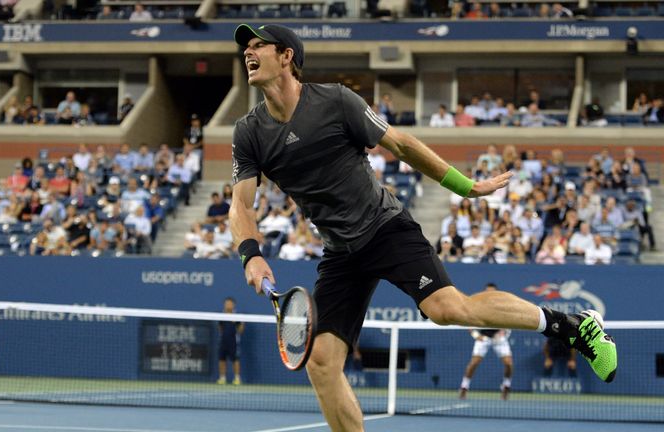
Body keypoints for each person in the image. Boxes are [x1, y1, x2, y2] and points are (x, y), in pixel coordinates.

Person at [230, 23, 616, 432]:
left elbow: (401, 144)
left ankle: (573, 326)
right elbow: (241, 203)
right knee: (322, 363)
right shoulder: (249, 132)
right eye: (246, 48)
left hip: (385, 228)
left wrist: (465, 186)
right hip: (340, 252)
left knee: (448, 309)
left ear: (287, 56)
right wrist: (250, 255)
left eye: (259, 45)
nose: (248, 53)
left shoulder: (336, 101)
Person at [459, 283, 513, 400]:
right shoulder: (478, 306)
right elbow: (468, 322)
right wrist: (476, 335)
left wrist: (504, 333)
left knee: (509, 364)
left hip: (499, 338)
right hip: (483, 338)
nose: (489, 294)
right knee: (474, 363)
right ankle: (464, 387)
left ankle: (506, 386)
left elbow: (510, 321)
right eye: (487, 292)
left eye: (492, 292)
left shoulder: (503, 306)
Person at [217, 297, 244, 385]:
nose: (227, 305)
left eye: (229, 303)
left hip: (233, 342)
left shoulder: (237, 316)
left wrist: (236, 324)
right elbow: (220, 328)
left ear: (233, 305)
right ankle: (222, 378)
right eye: (226, 303)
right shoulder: (221, 316)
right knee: (222, 359)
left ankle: (237, 378)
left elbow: (241, 330)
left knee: (235, 360)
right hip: (223, 341)